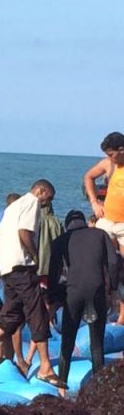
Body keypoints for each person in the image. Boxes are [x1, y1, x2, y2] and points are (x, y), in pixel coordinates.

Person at [0, 179, 61, 386]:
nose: (45, 205)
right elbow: (25, 232)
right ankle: (46, 368)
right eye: (47, 199)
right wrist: (35, 256)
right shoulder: (31, 202)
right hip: (22, 268)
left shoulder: (12, 207)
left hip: (6, 269)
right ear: (40, 191)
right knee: (37, 311)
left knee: (11, 315)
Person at [48, 210, 120, 387]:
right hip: (96, 291)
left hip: (73, 292)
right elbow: (113, 263)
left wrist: (54, 299)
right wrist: (112, 288)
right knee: (97, 345)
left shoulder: (60, 241)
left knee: (67, 342)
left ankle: (62, 385)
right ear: (84, 222)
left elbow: (54, 273)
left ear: (67, 225)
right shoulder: (100, 235)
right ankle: (99, 387)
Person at [83, 131, 124, 322]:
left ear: (121, 151)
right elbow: (88, 177)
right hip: (107, 219)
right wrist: (94, 202)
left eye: (111, 154)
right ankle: (94, 304)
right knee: (95, 258)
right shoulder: (109, 165)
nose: (109, 158)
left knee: (122, 268)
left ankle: (122, 314)